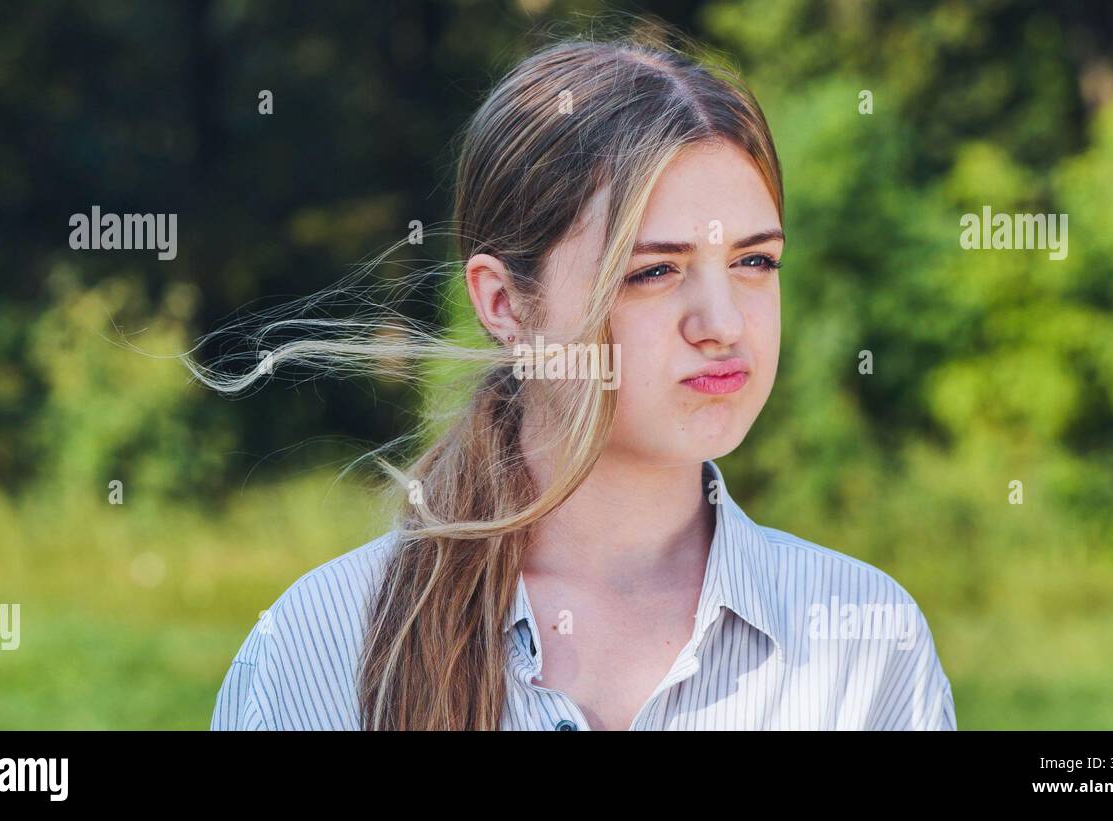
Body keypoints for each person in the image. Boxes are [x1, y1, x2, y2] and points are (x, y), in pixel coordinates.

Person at [202, 27, 956, 731]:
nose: (723, 322)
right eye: (654, 271)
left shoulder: (866, 641)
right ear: (504, 303)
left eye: (754, 261)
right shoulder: (319, 647)